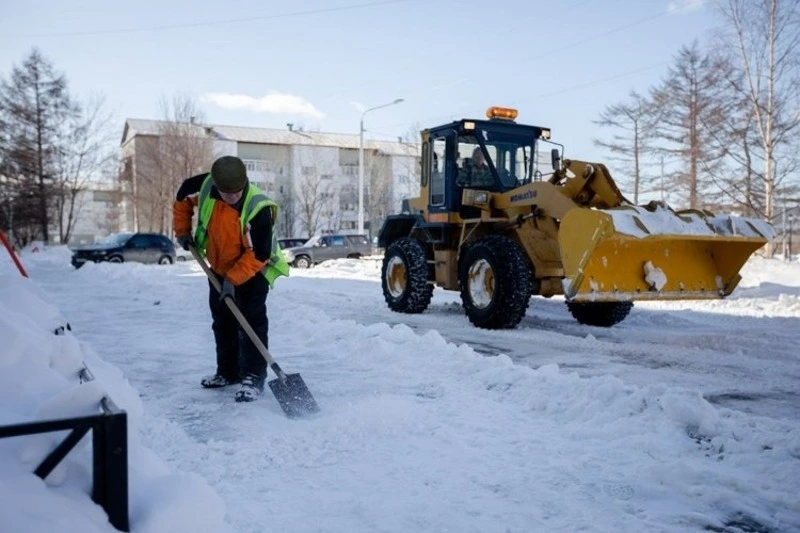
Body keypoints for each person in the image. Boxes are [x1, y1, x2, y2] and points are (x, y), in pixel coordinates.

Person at [173, 155, 289, 402]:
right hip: (218, 268)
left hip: (253, 272)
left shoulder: (259, 207)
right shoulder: (206, 187)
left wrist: (233, 280)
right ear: (216, 186)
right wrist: (182, 231)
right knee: (223, 322)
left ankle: (253, 377)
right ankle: (227, 372)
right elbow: (182, 195)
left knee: (251, 324)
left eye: (237, 192)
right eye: (227, 194)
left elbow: (260, 253)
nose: (233, 197)